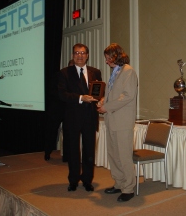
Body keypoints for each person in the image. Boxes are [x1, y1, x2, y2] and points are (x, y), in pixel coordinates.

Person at [97, 43, 138, 202]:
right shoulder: (115, 72)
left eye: (108, 58)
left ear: (116, 56)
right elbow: (115, 94)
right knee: (113, 155)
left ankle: (128, 188)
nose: (106, 62)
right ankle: (119, 183)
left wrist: (107, 107)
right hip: (112, 119)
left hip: (122, 121)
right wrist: (103, 101)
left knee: (124, 156)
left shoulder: (129, 71)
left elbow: (127, 96)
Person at [58, 43, 102, 192]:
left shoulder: (95, 72)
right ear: (72, 55)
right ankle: (73, 179)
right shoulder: (64, 73)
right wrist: (81, 97)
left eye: (83, 53)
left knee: (89, 150)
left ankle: (87, 180)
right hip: (72, 118)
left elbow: (98, 92)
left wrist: (100, 100)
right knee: (73, 150)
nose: (80, 56)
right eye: (77, 53)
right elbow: (62, 95)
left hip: (90, 117)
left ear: (87, 55)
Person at [44, 59, 74, 162]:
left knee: (68, 134)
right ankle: (47, 152)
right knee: (52, 131)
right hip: (56, 109)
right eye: (71, 66)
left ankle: (66, 156)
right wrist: (65, 96)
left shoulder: (78, 78)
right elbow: (51, 91)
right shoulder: (58, 75)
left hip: (69, 110)